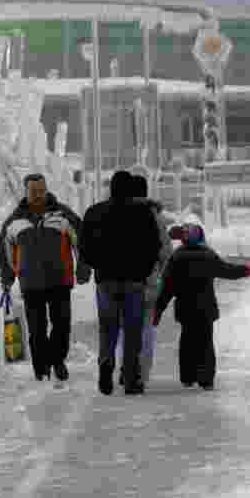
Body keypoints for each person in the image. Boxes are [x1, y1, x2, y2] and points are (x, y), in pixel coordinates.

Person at [0, 173, 91, 383]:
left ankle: (57, 360)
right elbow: (5, 251)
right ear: (26, 192)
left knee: (61, 325)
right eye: (34, 191)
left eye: (42, 190)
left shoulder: (63, 215)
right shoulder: (15, 221)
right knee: (37, 329)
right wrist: (8, 277)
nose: (39, 195)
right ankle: (41, 369)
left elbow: (81, 239)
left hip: (60, 280)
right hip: (31, 283)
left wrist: (83, 267)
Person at [153, 224, 250, 390]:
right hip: (206, 308)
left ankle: (188, 377)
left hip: (185, 308)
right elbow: (229, 271)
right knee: (205, 342)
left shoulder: (177, 257)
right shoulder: (208, 256)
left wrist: (158, 310)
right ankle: (206, 379)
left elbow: (167, 288)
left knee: (187, 341)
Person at [79, 170, 162, 396]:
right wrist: (143, 271)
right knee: (132, 329)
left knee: (108, 327)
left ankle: (105, 365)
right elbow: (154, 246)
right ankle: (131, 378)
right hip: (134, 281)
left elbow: (84, 245)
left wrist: (96, 265)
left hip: (105, 281)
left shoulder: (95, 212)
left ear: (111, 188)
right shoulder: (142, 213)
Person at [114, 174, 174, 387]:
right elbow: (167, 251)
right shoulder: (154, 217)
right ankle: (141, 373)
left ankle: (126, 368)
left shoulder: (116, 214)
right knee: (145, 328)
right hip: (147, 282)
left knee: (124, 327)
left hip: (120, 281)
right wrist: (158, 273)